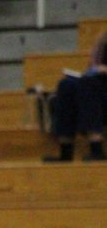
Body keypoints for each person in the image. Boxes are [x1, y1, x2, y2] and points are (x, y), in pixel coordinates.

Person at [44, 31, 107, 162]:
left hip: (98, 88)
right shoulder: (103, 39)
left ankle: (97, 148)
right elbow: (93, 68)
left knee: (89, 84)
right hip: (98, 87)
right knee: (66, 85)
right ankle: (65, 151)